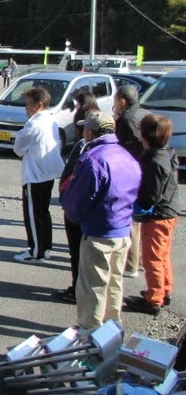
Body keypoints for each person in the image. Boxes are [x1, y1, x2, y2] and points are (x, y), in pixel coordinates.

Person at [61, 112, 141, 329]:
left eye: (84, 129)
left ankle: (90, 333)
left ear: (89, 132)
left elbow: (76, 203)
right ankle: (112, 328)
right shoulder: (127, 156)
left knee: (93, 287)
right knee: (114, 283)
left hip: (99, 233)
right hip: (123, 229)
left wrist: (71, 212)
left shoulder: (92, 160)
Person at [125, 114, 179, 316]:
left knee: (152, 258)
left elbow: (150, 197)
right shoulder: (164, 154)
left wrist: (136, 202)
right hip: (168, 212)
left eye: (140, 128)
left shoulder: (155, 162)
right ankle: (164, 290)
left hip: (159, 216)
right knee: (162, 256)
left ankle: (153, 299)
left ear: (147, 134)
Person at [12, 87, 64, 263]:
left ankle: (35, 251)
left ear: (38, 105)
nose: (26, 109)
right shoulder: (51, 120)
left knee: (33, 214)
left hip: (35, 174)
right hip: (48, 173)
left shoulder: (33, 125)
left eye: (28, 105)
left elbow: (18, 149)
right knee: (43, 212)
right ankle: (45, 247)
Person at [56, 104, 101, 304]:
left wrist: (66, 200)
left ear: (91, 132)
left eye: (85, 127)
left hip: (79, 211)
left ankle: (78, 290)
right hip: (94, 215)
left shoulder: (87, 149)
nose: (81, 130)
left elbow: (73, 179)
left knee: (79, 252)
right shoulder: (116, 150)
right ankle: (81, 288)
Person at [114, 85, 150, 279]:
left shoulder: (127, 119)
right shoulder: (145, 113)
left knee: (131, 222)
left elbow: (123, 150)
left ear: (123, 101)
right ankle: (140, 261)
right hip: (144, 171)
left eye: (115, 100)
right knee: (139, 222)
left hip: (131, 173)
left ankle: (131, 264)